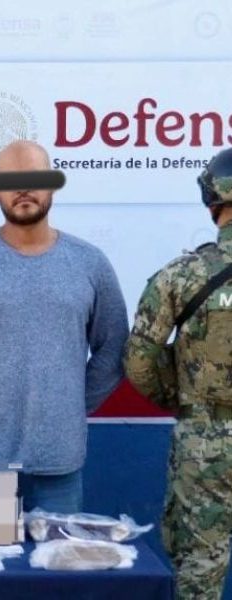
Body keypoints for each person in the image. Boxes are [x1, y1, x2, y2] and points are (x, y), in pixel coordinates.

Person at [0, 140, 128, 516]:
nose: (23, 188)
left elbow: (113, 346)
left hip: (60, 458)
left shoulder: (89, 263)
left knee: (59, 554)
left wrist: (68, 404)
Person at [125, 148, 232, 600]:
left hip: (205, 436)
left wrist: (180, 399)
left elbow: (139, 360)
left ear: (212, 202)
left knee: (199, 563)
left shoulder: (180, 275)